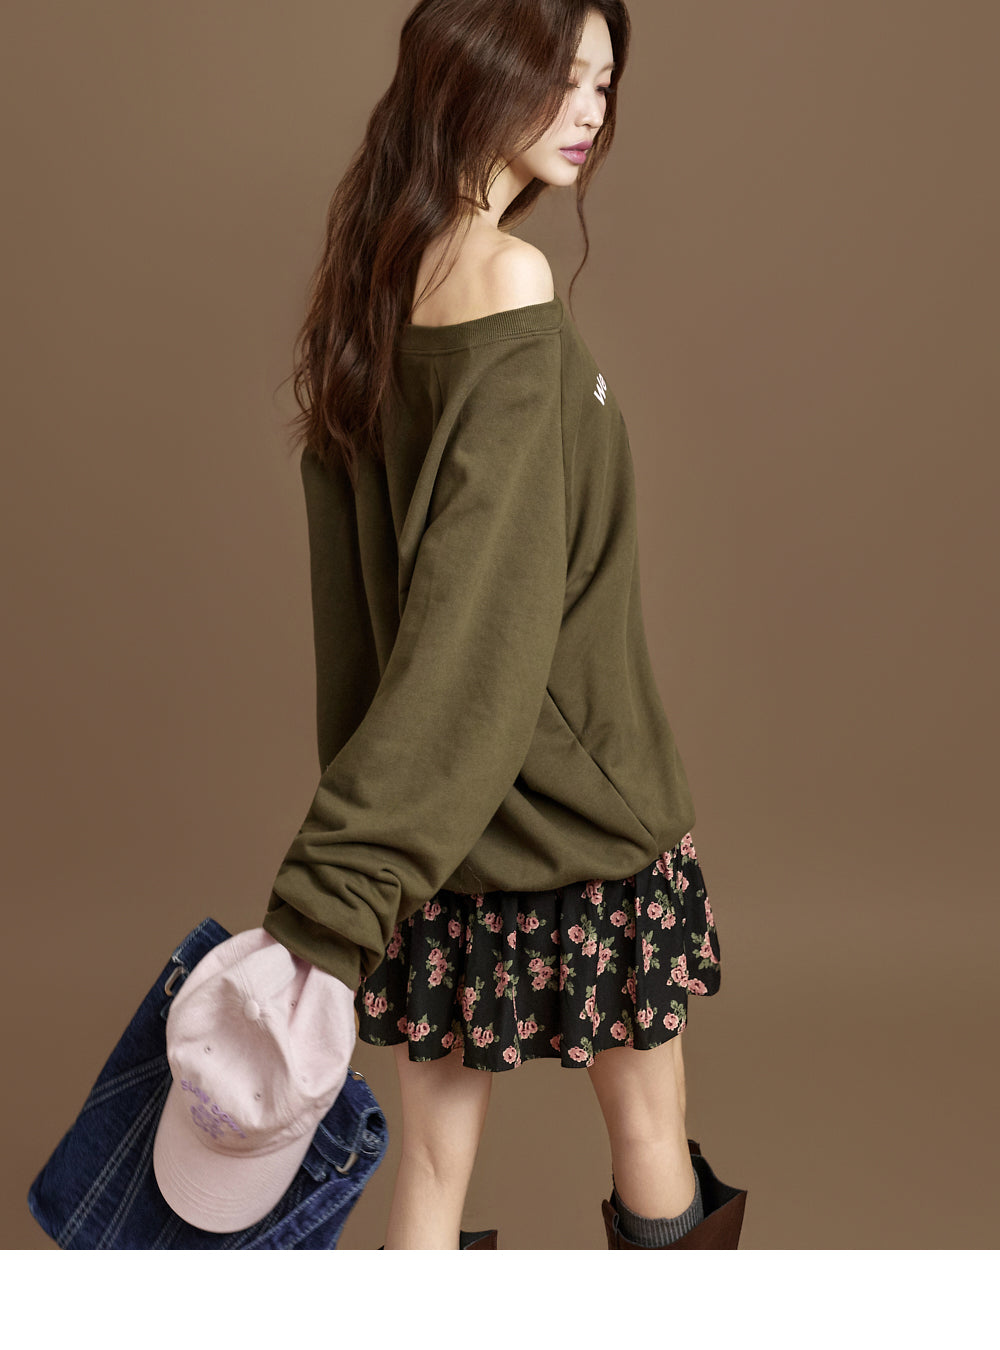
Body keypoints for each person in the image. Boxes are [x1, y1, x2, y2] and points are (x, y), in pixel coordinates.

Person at [262, 0, 746, 1250]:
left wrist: (370, 840)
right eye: (564, 78)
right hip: (582, 818)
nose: (591, 110)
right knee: (649, 1129)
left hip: (439, 829)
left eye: (603, 84)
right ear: (480, 70)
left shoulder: (381, 279)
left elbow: (376, 611)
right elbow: (498, 610)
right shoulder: (509, 278)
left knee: (431, 1164)